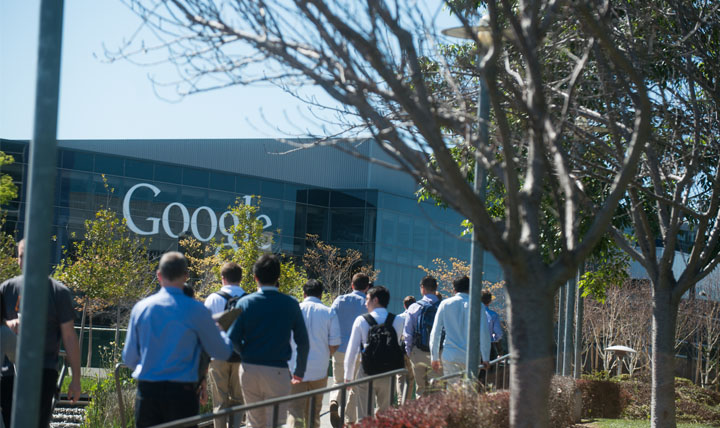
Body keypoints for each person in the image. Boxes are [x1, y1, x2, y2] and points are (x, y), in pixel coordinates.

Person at [123, 252, 234, 428]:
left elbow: (129, 358)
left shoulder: (141, 308)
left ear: (159, 275)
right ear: (186, 276)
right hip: (182, 394)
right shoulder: (197, 310)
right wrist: (220, 330)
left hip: (148, 391)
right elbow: (222, 351)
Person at [0, 239, 81, 428]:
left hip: (43, 372)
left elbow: (69, 336)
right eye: (21, 257)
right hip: (8, 373)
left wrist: (76, 379)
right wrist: (7, 324)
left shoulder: (58, 292)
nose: (25, 262)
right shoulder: (6, 289)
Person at [226, 254, 309, 428]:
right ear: (278, 277)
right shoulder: (290, 304)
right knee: (276, 423)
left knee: (254, 422)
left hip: (249, 369)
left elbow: (232, 338)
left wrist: (245, 353)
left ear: (256, 277)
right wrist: (299, 370)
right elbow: (303, 341)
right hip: (277, 371)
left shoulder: (245, 303)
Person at [344, 286, 404, 420]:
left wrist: (348, 377)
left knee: (365, 417)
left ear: (375, 300)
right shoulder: (398, 321)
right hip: (388, 373)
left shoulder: (361, 320)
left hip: (367, 372)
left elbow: (352, 351)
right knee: (385, 416)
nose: (365, 303)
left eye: (367, 299)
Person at [287, 279, 340, 428]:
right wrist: (326, 354)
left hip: (295, 369)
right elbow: (334, 343)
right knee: (314, 413)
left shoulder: (293, 310)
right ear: (321, 295)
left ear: (303, 293)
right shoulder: (329, 312)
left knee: (294, 411)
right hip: (319, 369)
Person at [204, 262, 247, 428]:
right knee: (238, 400)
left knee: (219, 402)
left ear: (223, 279)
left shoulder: (213, 298)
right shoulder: (248, 299)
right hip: (241, 357)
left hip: (218, 356)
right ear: (240, 278)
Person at [328, 273, 370, 426]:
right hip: (359, 350)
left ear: (352, 285)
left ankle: (334, 401)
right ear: (367, 287)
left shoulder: (340, 300)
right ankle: (348, 419)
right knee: (354, 385)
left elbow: (330, 320)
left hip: (339, 348)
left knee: (338, 381)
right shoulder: (367, 303)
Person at [429, 276, 491, 376]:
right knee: (470, 389)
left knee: (452, 389)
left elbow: (436, 332)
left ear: (454, 290)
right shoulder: (478, 305)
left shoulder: (445, 304)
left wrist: (434, 357)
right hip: (472, 356)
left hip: (451, 354)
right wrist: (486, 357)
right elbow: (484, 332)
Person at [403, 276, 441, 397]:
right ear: (436, 288)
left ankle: (421, 415)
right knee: (436, 390)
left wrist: (409, 352)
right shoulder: (443, 306)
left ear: (422, 288)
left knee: (421, 390)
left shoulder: (414, 307)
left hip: (418, 352)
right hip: (437, 353)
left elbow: (408, 333)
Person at [396, 295, 415, 402]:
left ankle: (400, 401)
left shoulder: (399, 318)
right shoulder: (416, 316)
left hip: (400, 350)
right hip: (411, 351)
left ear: (404, 305)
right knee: (411, 378)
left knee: (400, 377)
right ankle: (407, 401)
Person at [481, 290, 503, 360]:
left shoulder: (469, 313)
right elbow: (498, 334)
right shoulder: (493, 315)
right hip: (487, 346)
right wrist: (493, 338)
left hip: (469, 347)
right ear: (490, 301)